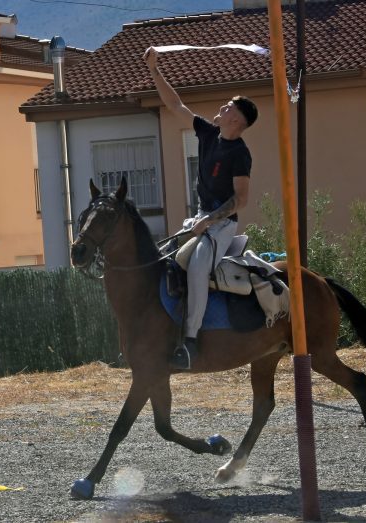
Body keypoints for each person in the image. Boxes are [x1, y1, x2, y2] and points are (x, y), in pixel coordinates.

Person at [143, 46, 258, 370]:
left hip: (222, 226)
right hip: (198, 219)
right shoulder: (208, 132)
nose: (220, 109)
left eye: (227, 107)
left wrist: (209, 221)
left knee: (196, 267)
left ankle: (190, 341)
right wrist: (154, 70)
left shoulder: (240, 154)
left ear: (236, 119)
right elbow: (174, 104)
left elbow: (241, 200)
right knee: (165, 258)